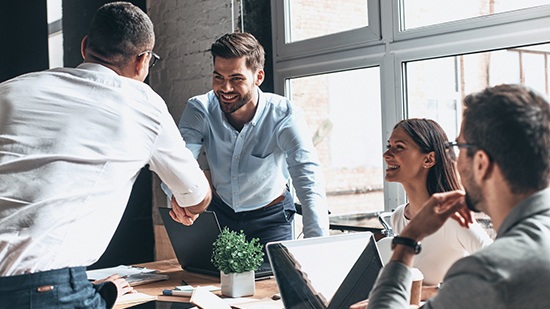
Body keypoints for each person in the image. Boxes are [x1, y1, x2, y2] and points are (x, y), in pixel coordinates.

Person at [0, 2, 211, 308]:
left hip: (50, 283)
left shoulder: (10, 91)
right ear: (143, 61)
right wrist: (183, 198)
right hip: (43, 290)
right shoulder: (142, 104)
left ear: (85, 46)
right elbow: (197, 198)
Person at [352, 84, 550, 309]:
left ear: (481, 163)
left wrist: (408, 241)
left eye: (458, 147)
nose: (453, 159)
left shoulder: (488, 272)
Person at [171, 32, 329, 246]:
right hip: (220, 214)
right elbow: (178, 160)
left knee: (273, 279)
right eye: (219, 77)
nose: (225, 88)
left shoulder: (285, 116)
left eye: (236, 79)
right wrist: (179, 198)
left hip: (270, 218)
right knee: (210, 279)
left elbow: (308, 180)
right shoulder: (200, 109)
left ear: (258, 77)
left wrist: (317, 246)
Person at [384, 118, 492, 299]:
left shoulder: (453, 219)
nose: (387, 154)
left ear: (429, 159)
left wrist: (426, 292)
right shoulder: (398, 217)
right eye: (389, 145)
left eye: (399, 147)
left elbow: (499, 270)